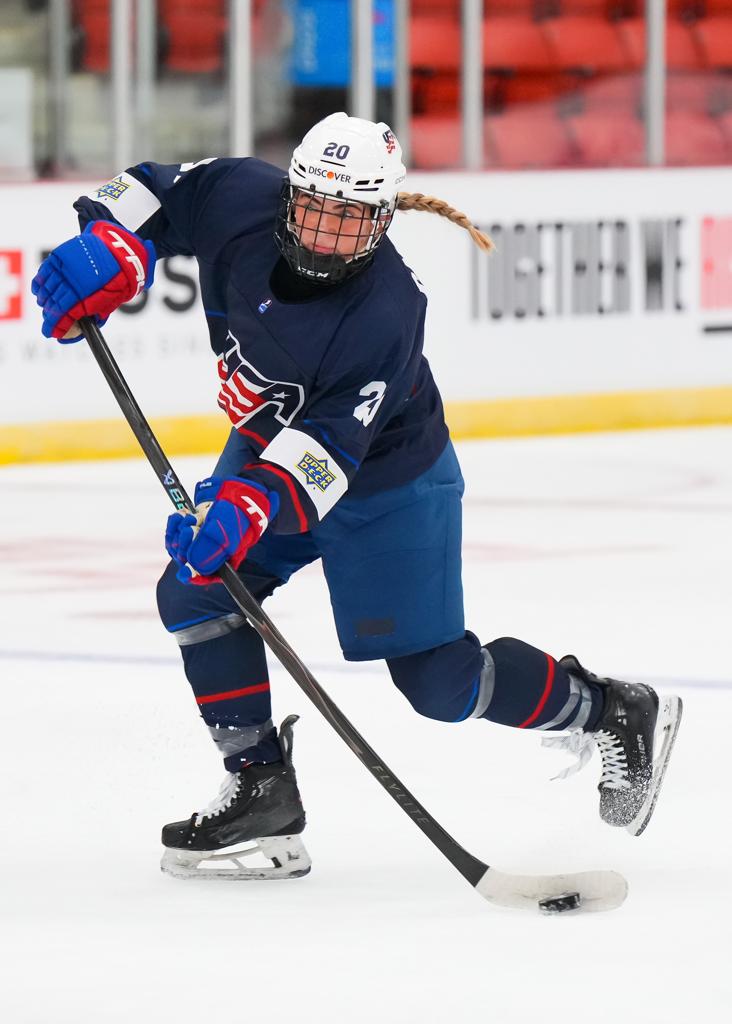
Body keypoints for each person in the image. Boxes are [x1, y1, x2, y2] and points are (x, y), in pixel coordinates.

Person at [32, 112, 682, 880]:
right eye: (314, 209)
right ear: (291, 194)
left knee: (438, 684)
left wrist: (242, 506)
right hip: (272, 446)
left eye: (350, 220)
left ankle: (611, 709)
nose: (326, 235)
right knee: (195, 592)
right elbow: (144, 189)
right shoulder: (239, 193)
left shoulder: (386, 310)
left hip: (388, 480)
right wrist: (111, 245)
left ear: (382, 220)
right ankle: (261, 786)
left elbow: (325, 456)